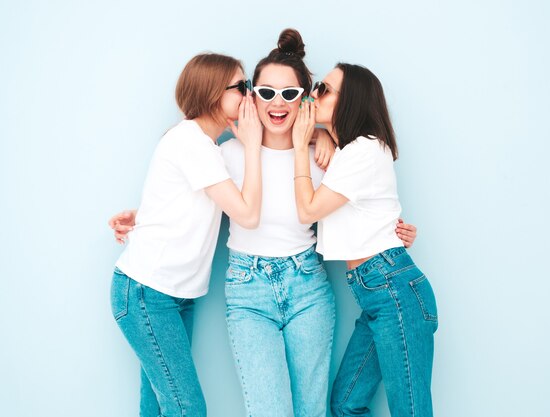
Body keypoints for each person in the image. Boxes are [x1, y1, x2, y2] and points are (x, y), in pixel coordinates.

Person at [109, 29, 418, 417]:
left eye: (290, 93)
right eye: (265, 91)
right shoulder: (222, 153)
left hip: (308, 286)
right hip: (247, 290)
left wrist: (397, 230)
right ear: (252, 96)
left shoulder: (327, 157)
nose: (277, 102)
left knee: (311, 411)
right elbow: (190, 201)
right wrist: (141, 219)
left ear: (305, 99)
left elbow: (364, 210)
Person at [110, 52, 262, 417]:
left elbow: (182, 199)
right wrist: (253, 146)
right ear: (213, 93)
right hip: (149, 293)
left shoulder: (201, 146)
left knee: (159, 407)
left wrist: (143, 214)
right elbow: (247, 214)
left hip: (173, 295)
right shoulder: (190, 142)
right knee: (186, 408)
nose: (249, 96)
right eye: (241, 87)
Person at [292, 63, 438, 417]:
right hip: (378, 291)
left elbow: (309, 209)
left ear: (351, 99)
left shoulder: (365, 150)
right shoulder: (350, 150)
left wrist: (301, 148)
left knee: (411, 411)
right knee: (345, 403)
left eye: (323, 89)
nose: (313, 95)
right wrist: (320, 135)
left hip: (392, 291)